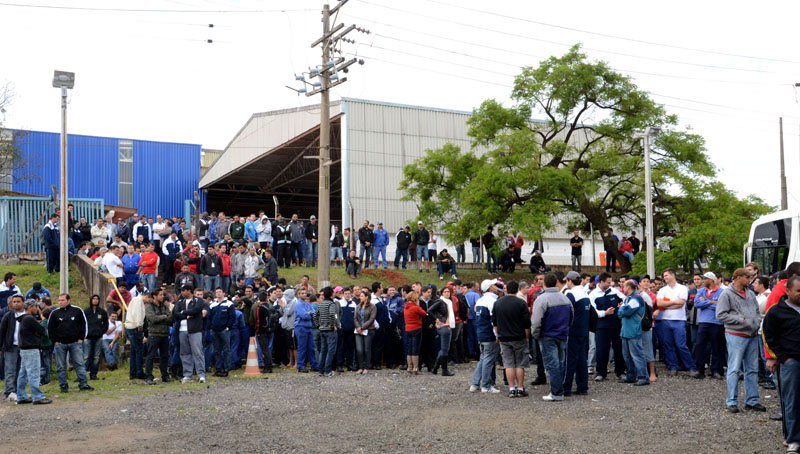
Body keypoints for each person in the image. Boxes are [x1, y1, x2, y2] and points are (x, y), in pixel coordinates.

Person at [716, 268, 765, 413]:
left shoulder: (750, 293)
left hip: (752, 335)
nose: (750, 279)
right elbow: (720, 315)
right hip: (736, 335)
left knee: (752, 369)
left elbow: (756, 311)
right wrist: (741, 320)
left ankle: (752, 401)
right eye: (747, 277)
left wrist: (756, 321)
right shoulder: (726, 294)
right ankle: (732, 401)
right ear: (738, 277)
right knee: (734, 369)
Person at [763, 276, 800, 453]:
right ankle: (793, 440)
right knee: (791, 401)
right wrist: (783, 357)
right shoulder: (776, 311)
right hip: (791, 363)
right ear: (788, 291)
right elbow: (768, 335)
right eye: (799, 291)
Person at [532, 275, 574, 401]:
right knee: (560, 362)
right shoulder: (565, 298)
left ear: (543, 283)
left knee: (551, 364)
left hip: (548, 335)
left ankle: (556, 392)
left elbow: (536, 320)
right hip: (562, 334)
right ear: (556, 282)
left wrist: (536, 334)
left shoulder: (542, 299)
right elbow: (571, 316)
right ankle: (559, 389)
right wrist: (566, 328)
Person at [656, 268, 700, 377]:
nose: (664, 278)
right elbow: (659, 304)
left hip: (679, 320)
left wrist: (667, 304)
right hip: (666, 320)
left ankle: (691, 367)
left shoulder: (682, 288)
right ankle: (673, 367)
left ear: (672, 275)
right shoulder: (663, 290)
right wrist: (674, 302)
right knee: (668, 345)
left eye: (666, 275)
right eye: (664, 276)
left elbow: (681, 304)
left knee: (681, 345)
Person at [492, 280, 531, 398]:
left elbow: (495, 323)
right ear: (518, 289)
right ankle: (520, 388)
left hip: (504, 337)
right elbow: (527, 324)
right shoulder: (521, 303)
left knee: (508, 363)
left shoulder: (498, 303)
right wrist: (527, 337)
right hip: (519, 336)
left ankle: (511, 389)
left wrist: (498, 335)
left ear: (506, 289)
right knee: (520, 363)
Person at [48, 293, 94, 393]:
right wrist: (55, 341)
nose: (60, 302)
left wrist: (81, 339)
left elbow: (84, 325)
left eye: (62, 300)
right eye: (59, 300)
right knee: (60, 366)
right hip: (60, 344)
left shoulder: (77, 310)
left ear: (68, 301)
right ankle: (63, 386)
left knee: (80, 364)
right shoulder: (54, 313)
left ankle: (83, 384)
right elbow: (50, 328)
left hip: (75, 343)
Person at [590, 273, 626, 381]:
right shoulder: (593, 294)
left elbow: (625, 300)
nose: (610, 284)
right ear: (601, 282)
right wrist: (604, 313)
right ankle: (601, 372)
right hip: (601, 326)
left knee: (618, 349)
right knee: (601, 349)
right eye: (608, 282)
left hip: (616, 325)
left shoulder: (614, 291)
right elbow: (592, 311)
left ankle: (620, 372)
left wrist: (621, 309)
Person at [15, 300, 51, 405]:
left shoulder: (24, 319)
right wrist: (42, 317)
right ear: (30, 307)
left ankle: (21, 396)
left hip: (24, 349)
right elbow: (43, 331)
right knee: (34, 373)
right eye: (36, 306)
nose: (37, 309)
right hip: (31, 349)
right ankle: (37, 397)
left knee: (23, 373)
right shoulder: (30, 319)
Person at [469, 280, 501, 393]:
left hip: (480, 333)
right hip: (489, 334)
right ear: (489, 288)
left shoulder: (480, 300)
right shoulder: (493, 301)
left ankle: (475, 383)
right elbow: (494, 320)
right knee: (488, 360)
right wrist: (497, 335)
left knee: (483, 358)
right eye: (493, 285)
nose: (495, 287)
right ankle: (486, 385)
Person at [693, 272, 725, 379]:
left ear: (710, 280)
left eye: (704, 279)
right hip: (703, 322)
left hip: (716, 323)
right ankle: (699, 369)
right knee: (699, 346)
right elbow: (697, 304)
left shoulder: (721, 292)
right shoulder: (702, 290)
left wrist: (705, 302)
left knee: (716, 347)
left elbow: (721, 307)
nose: (702, 281)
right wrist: (711, 302)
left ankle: (716, 370)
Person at [617, 280, 649, 386]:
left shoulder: (636, 298)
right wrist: (622, 308)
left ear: (629, 287)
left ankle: (643, 377)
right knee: (627, 356)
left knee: (637, 354)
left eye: (624, 286)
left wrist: (621, 307)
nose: (622, 288)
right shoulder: (629, 298)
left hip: (633, 330)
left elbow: (625, 311)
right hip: (626, 330)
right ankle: (631, 376)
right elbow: (622, 312)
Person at [564, 271, 591, 396]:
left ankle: (566, 387)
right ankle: (582, 386)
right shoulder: (585, 293)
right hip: (584, 330)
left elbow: (566, 312)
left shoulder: (571, 293)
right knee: (581, 360)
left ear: (570, 281)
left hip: (573, 331)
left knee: (570, 360)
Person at [173, 286, 207, 383]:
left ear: (189, 290)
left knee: (198, 352)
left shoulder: (198, 301)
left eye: (184, 290)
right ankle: (188, 374)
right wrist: (187, 314)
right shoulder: (180, 302)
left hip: (195, 330)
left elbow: (196, 311)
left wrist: (184, 312)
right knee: (185, 353)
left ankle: (201, 374)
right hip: (182, 330)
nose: (182, 292)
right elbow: (176, 313)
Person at [144, 288, 173, 385]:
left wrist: (162, 317)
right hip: (154, 334)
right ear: (154, 296)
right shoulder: (149, 307)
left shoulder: (164, 306)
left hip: (164, 334)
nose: (162, 296)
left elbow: (170, 318)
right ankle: (148, 376)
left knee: (165, 356)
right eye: (160, 295)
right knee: (151, 356)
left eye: (162, 294)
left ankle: (165, 376)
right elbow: (152, 319)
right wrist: (163, 317)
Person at [427, 286, 456, 376]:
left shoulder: (449, 302)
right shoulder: (440, 301)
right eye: (445, 292)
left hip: (448, 325)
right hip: (444, 326)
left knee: (444, 348)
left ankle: (435, 368)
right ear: (442, 293)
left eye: (448, 292)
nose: (447, 293)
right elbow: (429, 310)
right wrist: (437, 319)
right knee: (444, 349)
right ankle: (444, 370)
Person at [0, 295, 25, 400]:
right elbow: (2, 332)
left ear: (23, 302)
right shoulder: (8, 316)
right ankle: (9, 391)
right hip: (11, 347)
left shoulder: (27, 315)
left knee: (21, 370)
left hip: (24, 346)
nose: (16, 303)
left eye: (18, 301)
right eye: (14, 302)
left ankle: (18, 390)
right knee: (10, 370)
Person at [208, 287, 235, 377]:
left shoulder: (229, 304)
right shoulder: (212, 305)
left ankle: (227, 369)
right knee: (216, 350)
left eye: (220, 292)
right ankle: (218, 369)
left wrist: (227, 327)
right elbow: (209, 317)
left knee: (226, 350)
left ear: (224, 293)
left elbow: (232, 317)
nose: (218, 294)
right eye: (217, 292)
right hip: (214, 331)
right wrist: (210, 327)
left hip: (224, 331)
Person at [314, 287, 340, 377]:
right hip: (330, 330)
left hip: (322, 330)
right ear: (331, 294)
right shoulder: (331, 303)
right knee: (331, 351)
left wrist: (318, 325)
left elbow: (315, 315)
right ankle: (328, 370)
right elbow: (332, 315)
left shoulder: (321, 304)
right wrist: (333, 326)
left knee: (323, 350)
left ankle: (321, 371)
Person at [255, 287, 280, 374]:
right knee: (267, 349)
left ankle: (267, 366)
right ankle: (268, 366)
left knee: (264, 350)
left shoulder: (260, 308)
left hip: (262, 331)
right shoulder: (270, 307)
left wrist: (257, 331)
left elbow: (259, 321)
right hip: (269, 330)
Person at [83, 294, 108, 381]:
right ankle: (82, 375)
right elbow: (82, 323)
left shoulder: (102, 312)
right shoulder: (86, 312)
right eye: (93, 299)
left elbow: (106, 324)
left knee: (96, 357)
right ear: (91, 300)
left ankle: (93, 374)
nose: (95, 300)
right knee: (86, 356)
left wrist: (102, 331)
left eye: (97, 299)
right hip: (88, 337)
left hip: (98, 337)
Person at [125, 291, 147, 380]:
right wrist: (140, 325)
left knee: (133, 350)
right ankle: (139, 372)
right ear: (146, 296)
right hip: (135, 327)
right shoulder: (138, 301)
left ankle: (132, 372)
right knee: (139, 350)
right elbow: (138, 314)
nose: (147, 303)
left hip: (130, 326)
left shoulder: (134, 300)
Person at [354, 289, 376, 375]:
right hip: (358, 330)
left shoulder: (372, 307)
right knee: (359, 349)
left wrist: (363, 327)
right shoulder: (358, 306)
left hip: (368, 330)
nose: (360, 298)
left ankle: (366, 367)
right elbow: (355, 318)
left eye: (362, 296)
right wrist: (358, 327)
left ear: (367, 297)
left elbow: (372, 319)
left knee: (367, 349)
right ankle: (360, 367)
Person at [404, 291, 427, 375]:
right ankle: (415, 368)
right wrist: (418, 305)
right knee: (415, 349)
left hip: (408, 329)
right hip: (416, 328)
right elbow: (424, 314)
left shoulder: (406, 307)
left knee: (409, 348)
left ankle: (409, 367)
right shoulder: (415, 307)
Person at [337, 288, 357, 372]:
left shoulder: (354, 304)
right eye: (345, 293)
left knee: (350, 348)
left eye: (349, 293)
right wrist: (339, 325)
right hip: (342, 329)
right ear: (342, 294)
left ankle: (350, 364)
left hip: (351, 329)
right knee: (341, 348)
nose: (347, 295)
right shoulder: (339, 303)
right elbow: (337, 316)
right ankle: (340, 365)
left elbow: (356, 316)